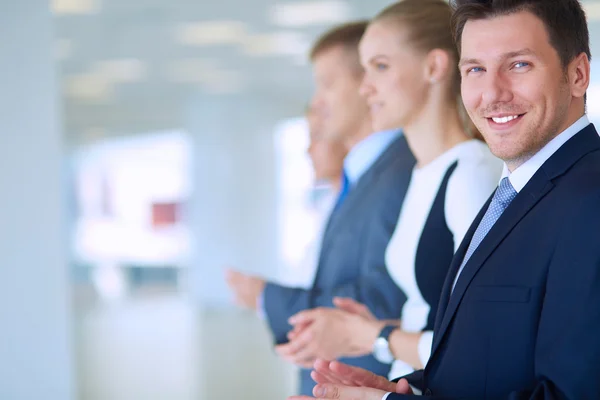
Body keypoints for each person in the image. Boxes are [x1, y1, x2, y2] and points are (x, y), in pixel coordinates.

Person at [288, 0, 600, 399]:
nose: (491, 93)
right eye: (475, 69)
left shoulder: (589, 202)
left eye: (519, 65)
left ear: (578, 75)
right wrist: (409, 389)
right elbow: (486, 356)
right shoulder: (515, 191)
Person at [277, 0, 502, 381]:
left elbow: (485, 340)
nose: (365, 88)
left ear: (433, 67)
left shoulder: (471, 172)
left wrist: (374, 335)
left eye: (380, 67)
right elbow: (433, 312)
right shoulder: (423, 172)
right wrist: (376, 329)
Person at [226, 21, 416, 395]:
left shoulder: (401, 170)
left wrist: (268, 297)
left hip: (373, 378)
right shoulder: (365, 176)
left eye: (327, 84)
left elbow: (385, 295)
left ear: (367, 84)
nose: (317, 102)